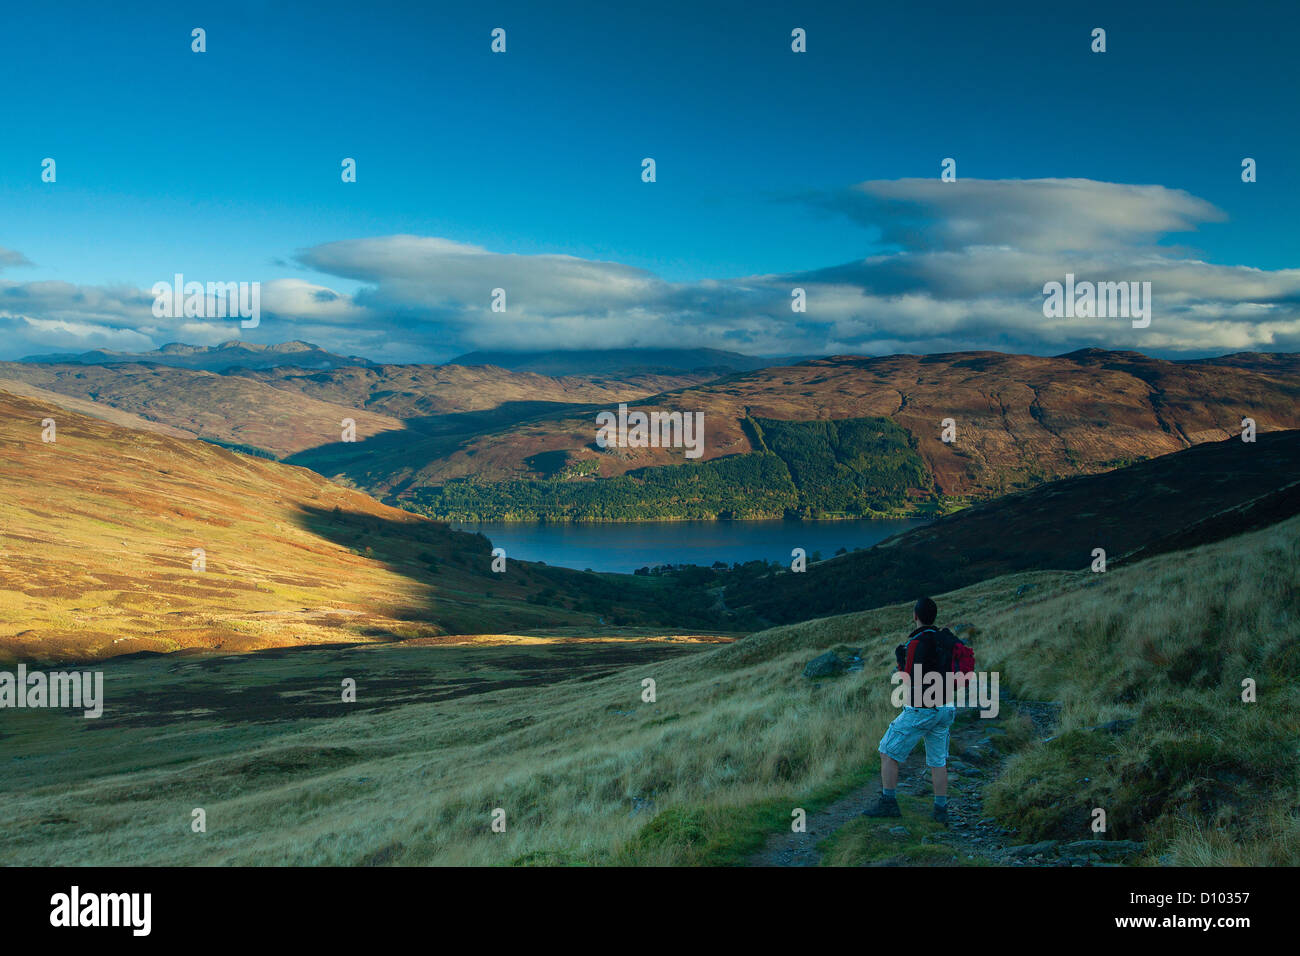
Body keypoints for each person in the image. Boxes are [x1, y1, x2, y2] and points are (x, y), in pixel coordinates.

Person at [861, 596, 957, 825]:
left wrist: (900, 662)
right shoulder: (945, 639)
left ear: (915, 616)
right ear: (934, 616)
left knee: (887, 750)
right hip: (946, 707)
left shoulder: (916, 642)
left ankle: (889, 803)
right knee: (938, 759)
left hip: (922, 707)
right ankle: (940, 810)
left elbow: (908, 679)